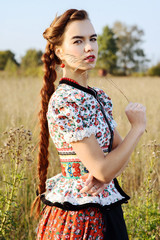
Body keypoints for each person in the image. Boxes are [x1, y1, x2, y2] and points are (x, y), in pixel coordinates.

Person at [31, 9, 146, 240]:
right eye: (78, 41)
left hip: (104, 207)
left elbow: (117, 158)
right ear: (59, 51)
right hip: (78, 216)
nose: (89, 47)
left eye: (93, 39)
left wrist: (104, 175)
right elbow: (104, 168)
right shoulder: (65, 100)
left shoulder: (98, 96)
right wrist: (137, 128)